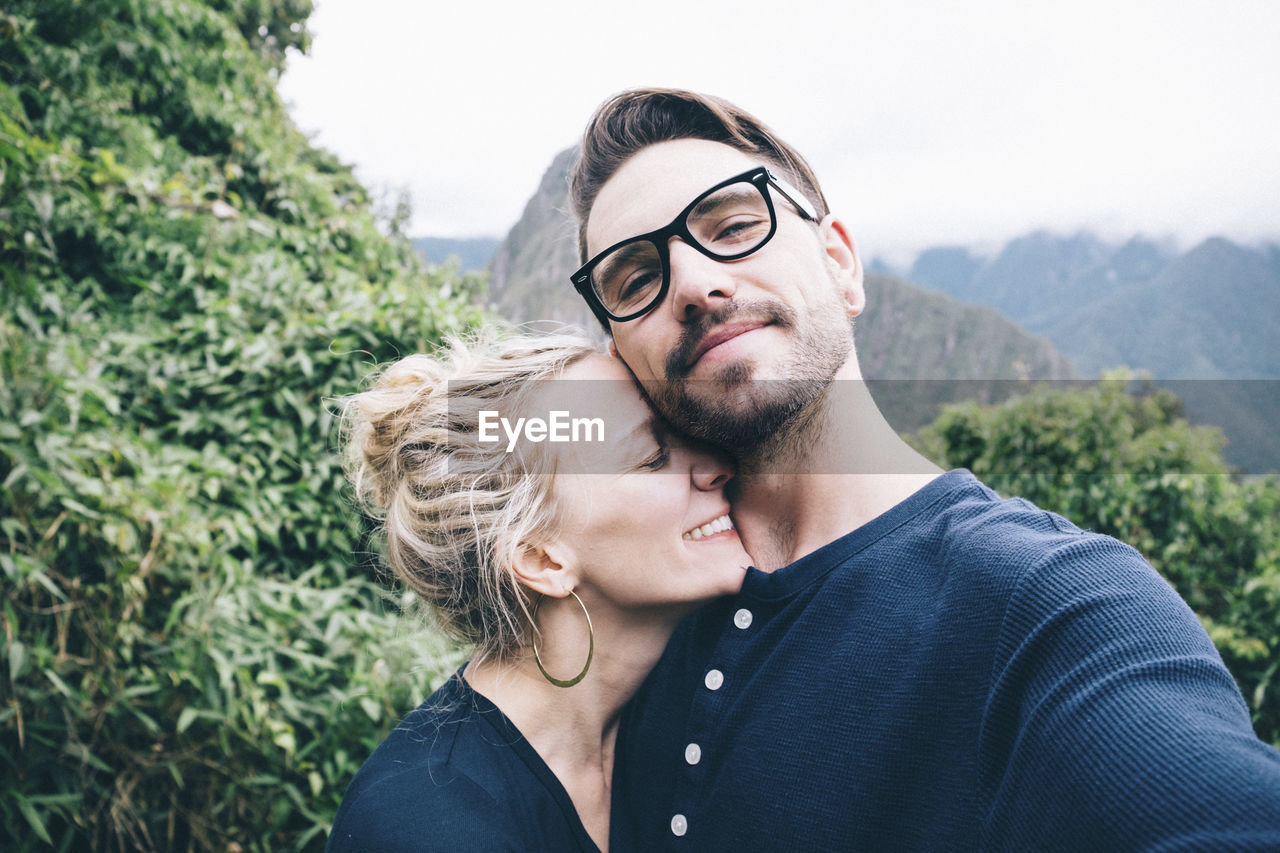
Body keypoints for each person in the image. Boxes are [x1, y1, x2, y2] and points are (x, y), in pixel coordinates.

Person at [565, 88, 1280, 850]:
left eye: (736, 225)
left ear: (840, 262)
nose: (694, 284)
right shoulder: (621, 608)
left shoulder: (1047, 608)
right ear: (620, 360)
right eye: (636, 280)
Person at [327, 330, 750, 852]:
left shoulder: (678, 723)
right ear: (541, 560)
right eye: (653, 457)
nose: (717, 468)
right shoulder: (425, 826)